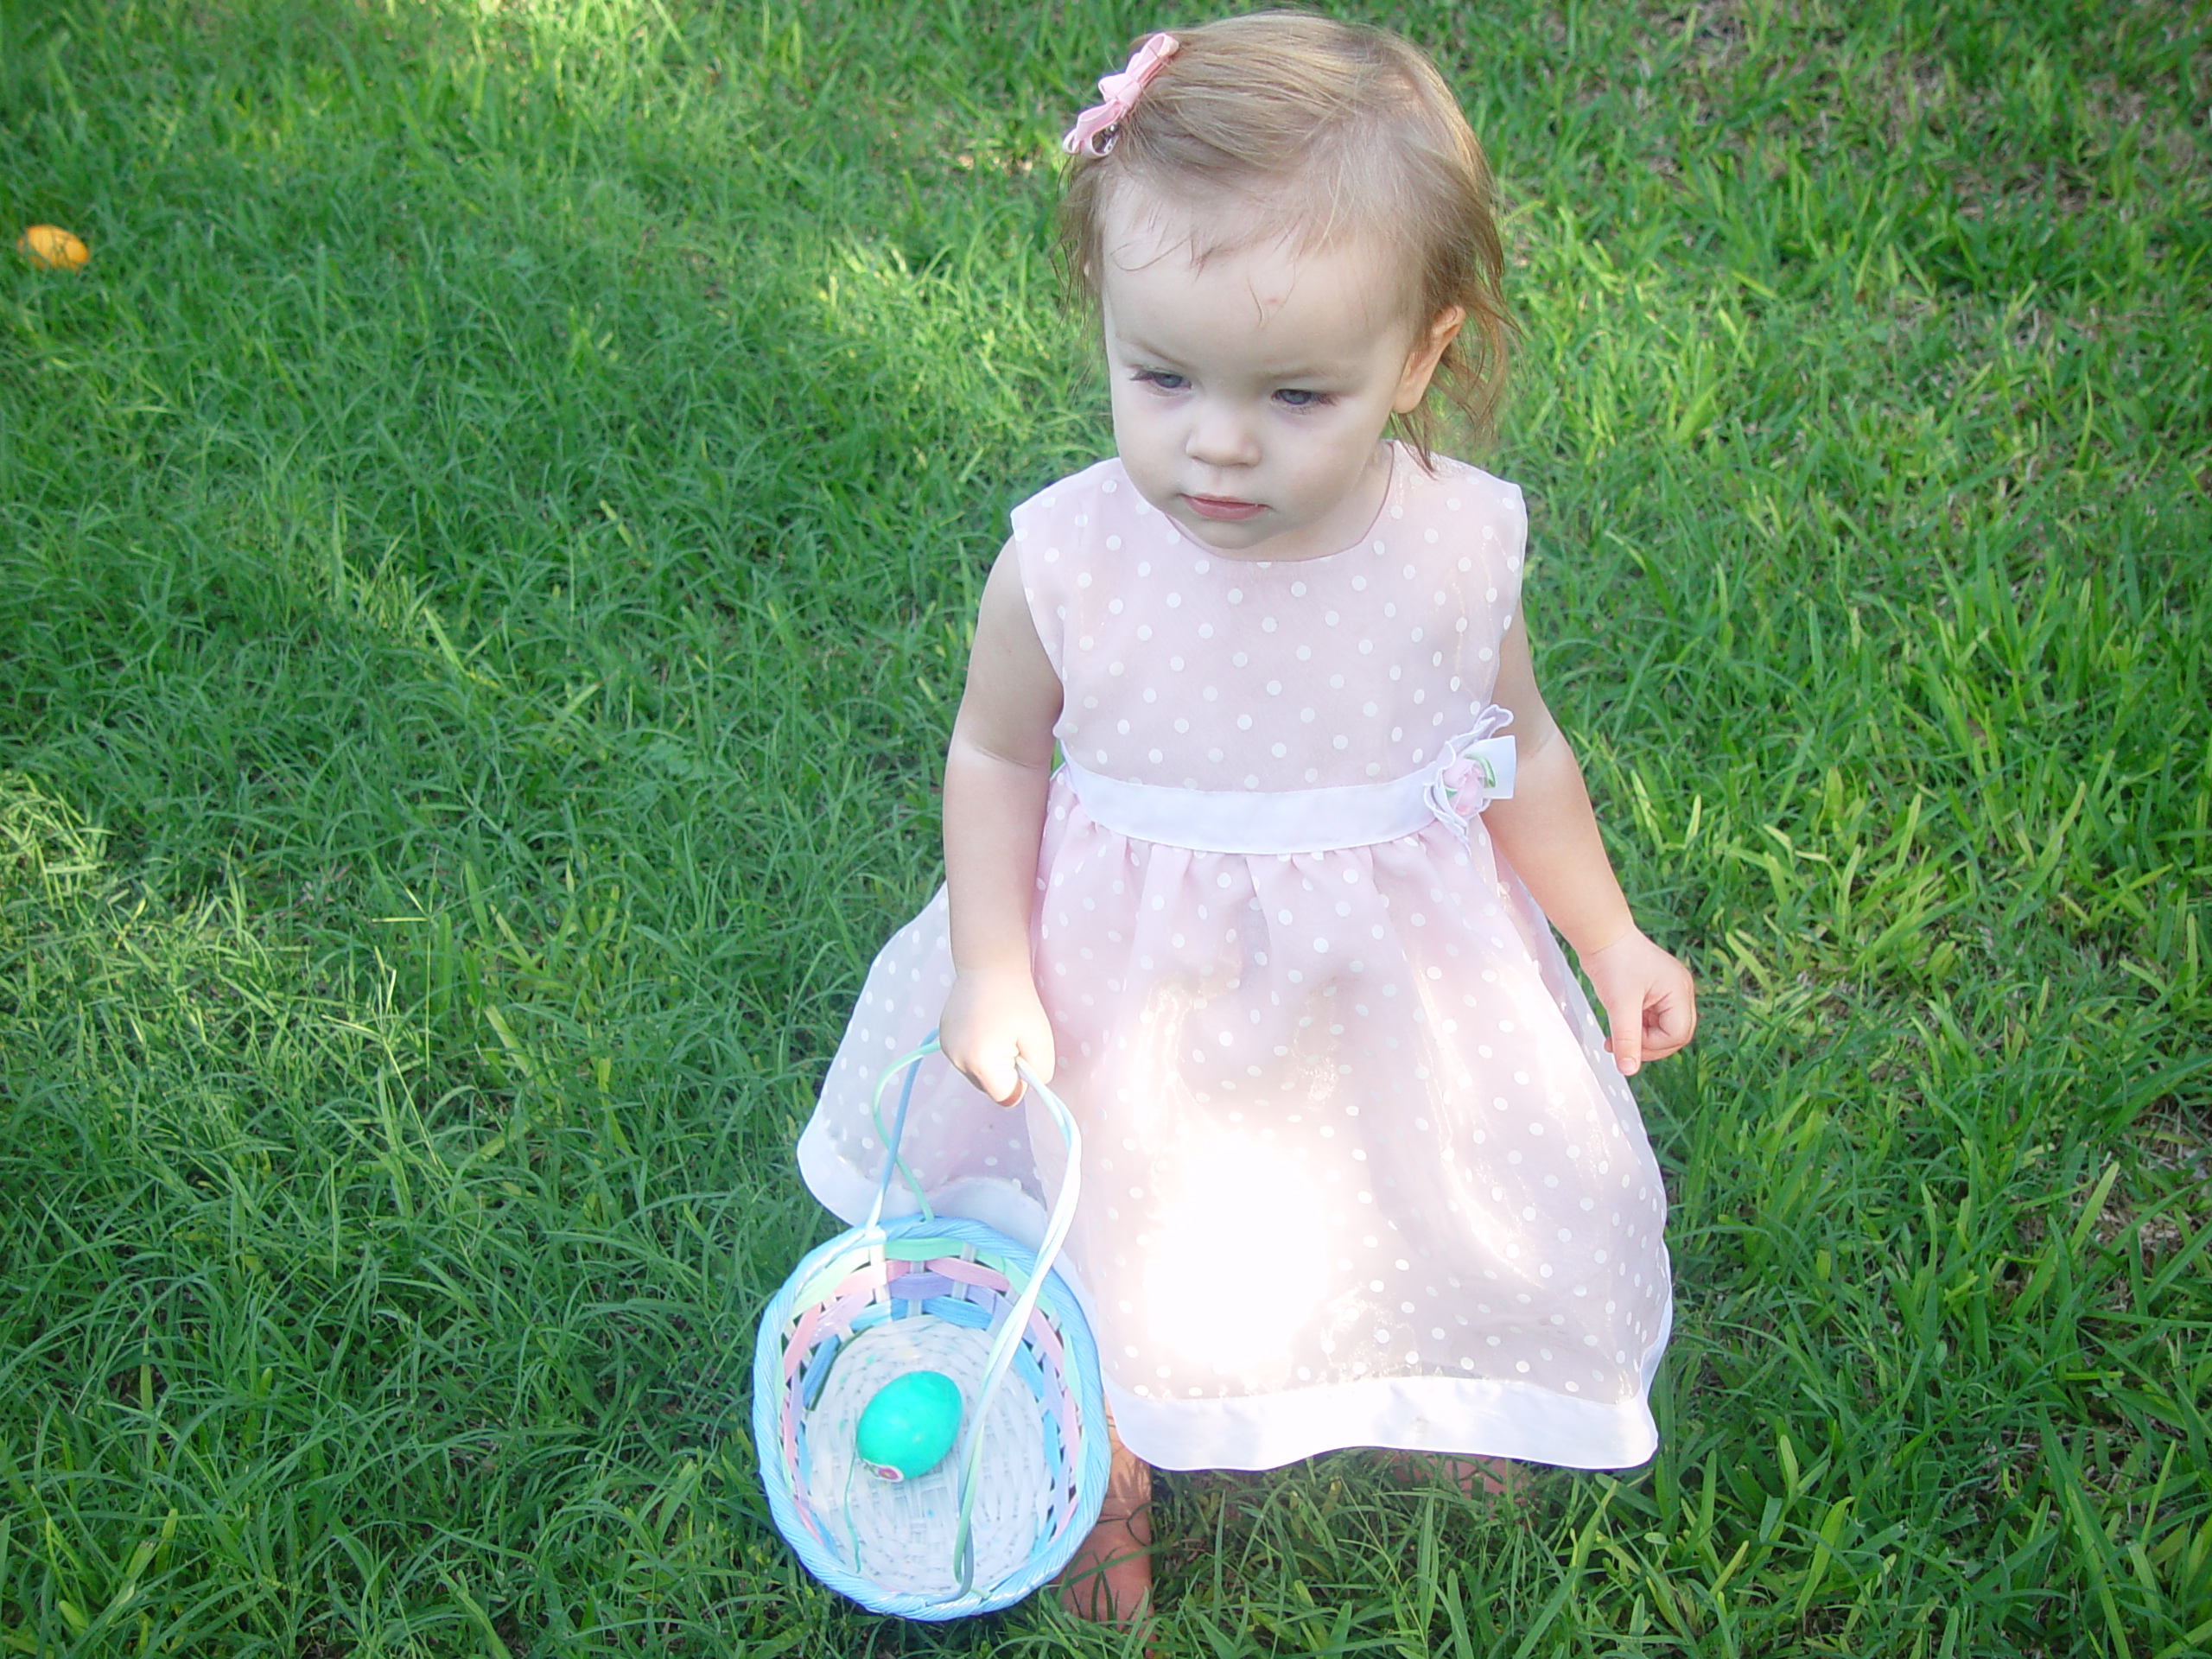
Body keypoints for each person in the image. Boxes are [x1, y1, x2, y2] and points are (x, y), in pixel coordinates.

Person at [796, 11, 1696, 1625]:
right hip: (1127, 995)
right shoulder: (1069, 560)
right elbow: (999, 758)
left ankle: (1440, 1374)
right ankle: (1096, 1458)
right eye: (1163, 376)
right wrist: (992, 966)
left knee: (1420, 1193)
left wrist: (1609, 929)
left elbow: (1520, 751)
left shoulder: (1454, 549)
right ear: (1108, 326)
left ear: (1421, 355)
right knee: (1107, 1234)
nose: (1216, 439)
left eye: (1294, 391)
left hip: (1388, 991)